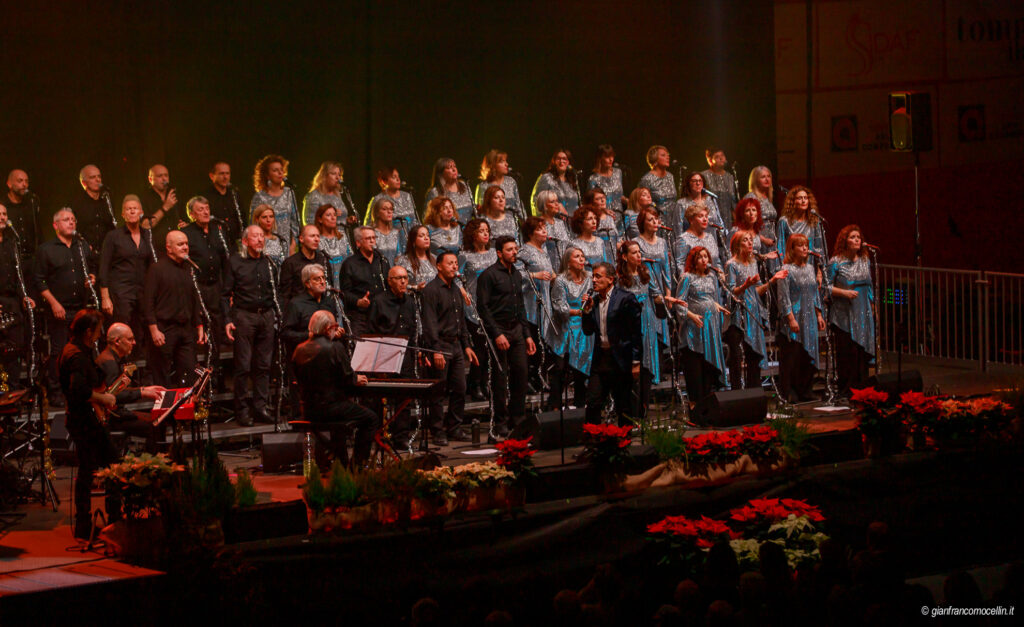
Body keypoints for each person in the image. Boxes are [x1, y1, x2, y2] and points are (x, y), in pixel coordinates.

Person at [58, 309, 117, 539]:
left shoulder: (77, 350)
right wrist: (104, 399)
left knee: (87, 469)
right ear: (88, 331)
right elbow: (78, 389)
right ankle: (112, 519)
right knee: (112, 464)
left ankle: (84, 524)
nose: (100, 334)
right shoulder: (77, 356)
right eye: (98, 330)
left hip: (80, 418)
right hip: (84, 420)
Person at [292, 310, 379, 467]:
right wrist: (356, 379)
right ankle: (357, 465)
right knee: (371, 418)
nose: (337, 330)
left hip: (309, 409)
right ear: (327, 329)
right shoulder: (334, 348)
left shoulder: (299, 349)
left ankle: (342, 462)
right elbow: (348, 380)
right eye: (335, 326)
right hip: (331, 407)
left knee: (340, 421)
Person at [33, 209, 97, 406]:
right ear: (56, 225)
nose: (71, 222)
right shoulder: (46, 249)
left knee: (82, 350)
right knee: (59, 351)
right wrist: (53, 303)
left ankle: (82, 388)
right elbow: (39, 280)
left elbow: (92, 268)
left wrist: (92, 277)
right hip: (59, 308)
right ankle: (56, 390)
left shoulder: (82, 246)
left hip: (80, 307)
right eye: (66, 220)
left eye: (73, 219)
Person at [476, 235, 537, 438]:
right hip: (499, 329)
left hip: (516, 329)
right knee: (499, 379)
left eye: (515, 249)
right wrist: (496, 334)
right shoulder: (489, 275)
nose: (514, 253)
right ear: (499, 253)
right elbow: (483, 308)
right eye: (509, 250)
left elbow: (521, 306)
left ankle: (517, 418)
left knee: (521, 374)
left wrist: (527, 335)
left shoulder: (517, 274)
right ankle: (499, 421)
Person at [222, 226, 280, 426]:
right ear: (245, 241)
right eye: (255, 236)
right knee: (243, 366)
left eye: (262, 236)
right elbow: (225, 294)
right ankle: (242, 410)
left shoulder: (269, 262)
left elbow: (276, 291)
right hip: (244, 316)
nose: (260, 239)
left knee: (264, 365)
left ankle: (260, 408)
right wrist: (228, 320)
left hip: (266, 315)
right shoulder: (235, 262)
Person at [422, 252, 478, 443]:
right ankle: (437, 430)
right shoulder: (431, 290)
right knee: (439, 391)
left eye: (455, 263)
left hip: (456, 344)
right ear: (439, 266)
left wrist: (466, 345)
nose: (454, 266)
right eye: (450, 263)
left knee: (460, 388)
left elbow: (460, 319)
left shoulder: (455, 289)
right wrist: (436, 349)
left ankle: (454, 427)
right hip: (441, 344)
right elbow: (429, 323)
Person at [618, 241, 674, 420]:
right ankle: (631, 414)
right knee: (633, 368)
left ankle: (643, 412)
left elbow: (655, 294)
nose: (638, 256)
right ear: (625, 257)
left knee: (646, 368)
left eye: (639, 252)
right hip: (630, 322)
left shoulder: (645, 273)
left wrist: (665, 299)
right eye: (634, 253)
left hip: (648, 321)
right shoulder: (620, 278)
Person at [142, 231, 205, 387]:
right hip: (164, 328)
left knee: (189, 371)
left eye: (186, 243)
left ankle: (186, 402)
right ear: (169, 248)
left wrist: (199, 324)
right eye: (180, 244)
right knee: (162, 374)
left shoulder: (188, 268)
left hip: (185, 329)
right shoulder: (157, 269)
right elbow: (148, 301)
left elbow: (193, 300)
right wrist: (154, 330)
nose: (185, 247)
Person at [725, 231, 786, 390]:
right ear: (737, 244)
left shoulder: (753, 264)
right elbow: (731, 292)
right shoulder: (731, 265)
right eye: (745, 240)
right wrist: (745, 285)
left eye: (751, 240)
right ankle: (737, 392)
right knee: (737, 356)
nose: (750, 243)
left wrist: (772, 280)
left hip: (753, 311)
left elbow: (757, 290)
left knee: (753, 354)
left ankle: (754, 390)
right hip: (737, 314)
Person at [367, 265, 421, 447]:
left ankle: (401, 436)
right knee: (381, 398)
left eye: (405, 278)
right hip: (385, 351)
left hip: (405, 353)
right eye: (399, 278)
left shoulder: (410, 301)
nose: (403, 281)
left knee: (404, 397)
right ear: (390, 281)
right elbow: (372, 329)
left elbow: (413, 328)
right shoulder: (379, 301)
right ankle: (379, 434)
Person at [582, 262, 642, 425]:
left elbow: (636, 332)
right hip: (601, 359)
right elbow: (588, 331)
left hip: (620, 359)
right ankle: (593, 438)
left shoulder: (625, 298)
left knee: (623, 405)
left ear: (610, 279)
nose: (594, 280)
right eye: (593, 277)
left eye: (598, 276)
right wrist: (586, 311)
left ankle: (625, 437)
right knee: (593, 402)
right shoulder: (594, 301)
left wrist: (636, 361)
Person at [675, 247, 729, 423]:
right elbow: (679, 303)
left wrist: (716, 306)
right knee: (695, 375)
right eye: (700, 257)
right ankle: (694, 414)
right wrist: (691, 315)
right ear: (693, 260)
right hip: (693, 332)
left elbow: (709, 298)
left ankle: (708, 413)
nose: (704, 260)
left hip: (710, 331)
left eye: (706, 256)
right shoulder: (687, 278)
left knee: (707, 373)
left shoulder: (712, 277)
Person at [96, 323, 167, 452]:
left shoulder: (112, 358)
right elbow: (114, 395)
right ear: (117, 341)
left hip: (117, 414)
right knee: (156, 423)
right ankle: (154, 460)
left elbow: (118, 390)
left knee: (158, 420)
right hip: (112, 418)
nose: (134, 343)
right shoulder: (109, 362)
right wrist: (142, 392)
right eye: (130, 339)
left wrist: (145, 390)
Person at [99, 195, 154, 345]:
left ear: (141, 212)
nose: (132, 211)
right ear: (123, 214)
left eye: (135, 208)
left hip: (142, 291)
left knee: (141, 331)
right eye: (128, 209)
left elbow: (152, 264)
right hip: (121, 291)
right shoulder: (113, 236)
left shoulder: (147, 235)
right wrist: (105, 297)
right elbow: (104, 267)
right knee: (122, 330)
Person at [776, 233, 825, 403]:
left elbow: (815, 293)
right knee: (792, 357)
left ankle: (805, 389)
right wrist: (790, 318)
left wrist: (819, 314)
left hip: (809, 316)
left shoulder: (811, 268)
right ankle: (788, 391)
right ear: (792, 249)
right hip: (794, 316)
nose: (805, 248)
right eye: (800, 245)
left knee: (806, 355)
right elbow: (783, 297)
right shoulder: (785, 270)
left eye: (806, 245)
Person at [827, 225, 875, 397]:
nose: (857, 240)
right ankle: (846, 389)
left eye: (858, 237)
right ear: (844, 241)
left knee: (861, 352)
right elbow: (825, 287)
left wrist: (873, 305)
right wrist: (844, 293)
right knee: (848, 353)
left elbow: (869, 285)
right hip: (844, 314)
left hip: (863, 312)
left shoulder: (865, 260)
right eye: (853, 237)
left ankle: (862, 389)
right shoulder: (836, 262)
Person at [182, 196, 231, 348]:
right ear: (192, 214)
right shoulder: (186, 232)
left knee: (216, 319)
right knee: (198, 319)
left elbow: (225, 258)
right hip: (197, 285)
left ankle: (215, 354)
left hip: (216, 284)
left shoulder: (218, 230)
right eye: (200, 209)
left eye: (207, 209)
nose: (205, 212)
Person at [517, 217, 558, 394]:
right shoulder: (524, 251)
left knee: (543, 343)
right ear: (530, 233)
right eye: (540, 229)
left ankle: (540, 375)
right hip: (530, 303)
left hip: (544, 301)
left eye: (544, 228)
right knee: (533, 340)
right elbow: (517, 274)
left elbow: (550, 272)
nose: (544, 232)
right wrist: (535, 275)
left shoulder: (544, 250)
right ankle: (528, 378)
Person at [548, 247, 592, 409]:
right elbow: (559, 307)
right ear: (568, 262)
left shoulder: (589, 278)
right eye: (577, 256)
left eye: (582, 256)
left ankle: (581, 406)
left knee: (581, 370)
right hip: (564, 327)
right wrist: (579, 311)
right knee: (560, 369)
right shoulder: (560, 281)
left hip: (582, 328)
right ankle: (554, 406)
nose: (582, 259)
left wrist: (589, 304)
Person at [460, 218, 496, 402]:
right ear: (473, 234)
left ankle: (487, 383)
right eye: (481, 230)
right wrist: (462, 291)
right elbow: (456, 277)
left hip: (493, 305)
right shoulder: (465, 256)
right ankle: (475, 385)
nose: (485, 233)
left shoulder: (494, 253)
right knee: (479, 348)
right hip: (473, 305)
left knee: (491, 348)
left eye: (487, 230)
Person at [0, 203, 35, 385]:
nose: (2, 217)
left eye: (4, 214)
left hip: (12, 301)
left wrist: (24, 296)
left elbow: (18, 275)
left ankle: (13, 390)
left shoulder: (11, 243)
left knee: (15, 348)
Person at [338, 225, 390, 337]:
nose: (372, 241)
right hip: (360, 317)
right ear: (358, 243)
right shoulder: (350, 264)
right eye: (368, 238)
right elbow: (344, 293)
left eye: (373, 238)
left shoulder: (382, 261)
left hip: (381, 315)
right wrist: (358, 301)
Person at [250, 154, 300, 254]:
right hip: (266, 249)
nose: (280, 173)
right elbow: (253, 225)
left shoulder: (289, 193)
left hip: (286, 247)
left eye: (281, 169)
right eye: (275, 170)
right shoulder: (259, 197)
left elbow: (296, 223)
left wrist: (293, 245)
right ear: (267, 175)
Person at [777, 186, 826, 285]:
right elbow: (780, 247)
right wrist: (782, 269)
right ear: (793, 202)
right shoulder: (784, 221)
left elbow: (819, 249)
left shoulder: (814, 221)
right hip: (790, 269)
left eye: (805, 198)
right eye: (799, 198)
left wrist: (820, 272)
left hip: (810, 268)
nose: (803, 201)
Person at [278, 224, 332, 309]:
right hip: (300, 310)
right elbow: (285, 295)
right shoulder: (290, 263)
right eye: (312, 236)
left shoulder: (323, 260)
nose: (316, 239)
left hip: (321, 307)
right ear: (301, 239)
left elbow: (329, 286)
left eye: (318, 236)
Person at [366, 166, 419, 244]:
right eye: (394, 177)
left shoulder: (407, 196)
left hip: (409, 240)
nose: (398, 179)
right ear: (385, 181)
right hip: (389, 241)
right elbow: (369, 223)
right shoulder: (378, 199)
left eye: (398, 176)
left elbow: (414, 219)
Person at [71, 164, 117, 252]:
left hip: (107, 252)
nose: (98, 179)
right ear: (84, 183)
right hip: (86, 253)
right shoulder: (77, 204)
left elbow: (112, 225)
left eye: (99, 176)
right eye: (92, 177)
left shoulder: (107, 200)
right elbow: (72, 230)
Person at [303, 161, 358, 230]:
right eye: (333, 174)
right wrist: (330, 214)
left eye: (339, 175)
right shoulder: (314, 196)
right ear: (324, 176)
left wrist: (346, 220)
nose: (338, 177)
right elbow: (309, 222)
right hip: (324, 236)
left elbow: (337, 221)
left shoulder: (337, 195)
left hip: (342, 236)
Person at [674, 204, 724, 277]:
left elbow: (717, 260)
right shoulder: (683, 239)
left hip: (713, 280)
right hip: (694, 281)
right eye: (701, 216)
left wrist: (721, 273)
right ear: (691, 220)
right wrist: (687, 280)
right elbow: (680, 265)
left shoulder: (710, 237)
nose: (705, 219)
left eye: (706, 216)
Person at [203, 161, 245, 249]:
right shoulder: (205, 196)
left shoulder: (234, 193)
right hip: (215, 243)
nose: (225, 177)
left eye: (227, 173)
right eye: (221, 174)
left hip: (235, 243)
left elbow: (242, 216)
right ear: (211, 176)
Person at [475, 149, 525, 222]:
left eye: (506, 161)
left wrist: (525, 223)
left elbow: (519, 206)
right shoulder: (483, 187)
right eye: (502, 161)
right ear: (493, 165)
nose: (506, 164)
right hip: (493, 225)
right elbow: (480, 213)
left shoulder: (511, 182)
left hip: (512, 224)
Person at [744, 166, 778, 269]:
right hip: (759, 240)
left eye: (768, 176)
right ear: (755, 180)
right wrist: (763, 239)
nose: (767, 179)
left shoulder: (767, 197)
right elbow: (746, 224)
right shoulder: (751, 197)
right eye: (763, 177)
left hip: (771, 240)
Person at [140, 164, 180, 250]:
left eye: (166, 175)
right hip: (156, 248)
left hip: (176, 246)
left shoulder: (173, 195)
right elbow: (145, 225)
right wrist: (165, 207)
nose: (164, 179)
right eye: (160, 176)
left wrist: (182, 224)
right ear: (150, 179)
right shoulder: (144, 198)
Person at [425, 158, 476, 225]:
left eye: (454, 166)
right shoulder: (435, 192)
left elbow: (472, 208)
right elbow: (428, 217)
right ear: (441, 173)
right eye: (449, 167)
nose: (454, 169)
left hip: (468, 228)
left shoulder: (464, 185)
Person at [531, 149, 579, 217]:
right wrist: (541, 219)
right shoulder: (547, 178)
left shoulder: (572, 181)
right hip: (554, 220)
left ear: (569, 162)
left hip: (572, 221)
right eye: (558, 159)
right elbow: (536, 200)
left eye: (564, 159)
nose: (561, 161)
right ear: (554, 162)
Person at [314, 204, 352, 289]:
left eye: (334, 215)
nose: (333, 218)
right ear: (320, 219)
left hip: (346, 284)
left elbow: (351, 259)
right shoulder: (317, 240)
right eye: (328, 215)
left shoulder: (342, 237)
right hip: (326, 285)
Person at [700, 147, 738, 229]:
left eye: (722, 155)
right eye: (717, 157)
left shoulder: (730, 177)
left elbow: (732, 201)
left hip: (727, 219)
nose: (721, 158)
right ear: (710, 160)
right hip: (710, 218)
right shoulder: (703, 176)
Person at [5, 169, 38, 259]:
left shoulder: (31, 204)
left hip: (31, 257)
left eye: (26, 181)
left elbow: (38, 231)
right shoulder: (3, 205)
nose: (24, 184)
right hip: (10, 258)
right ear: (9, 184)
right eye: (20, 181)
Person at [587, 145, 625, 224]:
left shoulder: (618, 173)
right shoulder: (593, 179)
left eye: (612, 156)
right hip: (604, 218)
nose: (611, 159)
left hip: (620, 218)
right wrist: (603, 210)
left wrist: (632, 201)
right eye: (607, 157)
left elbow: (620, 196)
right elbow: (590, 203)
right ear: (600, 158)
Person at [534, 190, 570, 270]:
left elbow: (567, 244)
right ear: (544, 205)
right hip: (548, 268)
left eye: (557, 201)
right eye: (552, 202)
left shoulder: (560, 223)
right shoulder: (538, 224)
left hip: (564, 266)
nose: (557, 204)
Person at [570, 206, 612, 270]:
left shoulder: (600, 241)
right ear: (580, 223)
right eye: (590, 219)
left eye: (595, 218)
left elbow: (605, 263)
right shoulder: (574, 244)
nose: (594, 222)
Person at [638, 145, 677, 211]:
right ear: (655, 159)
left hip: (673, 216)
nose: (668, 157)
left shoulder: (670, 176)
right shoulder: (647, 179)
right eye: (663, 155)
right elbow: (642, 204)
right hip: (656, 216)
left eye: (668, 155)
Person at [368, 196, 403, 267]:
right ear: (377, 213)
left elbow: (399, 256)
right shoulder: (371, 233)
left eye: (391, 209)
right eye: (384, 209)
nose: (389, 212)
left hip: (393, 271)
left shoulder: (395, 233)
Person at [252, 204, 287, 268]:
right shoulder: (253, 241)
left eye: (271, 216)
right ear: (257, 219)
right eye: (264, 217)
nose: (268, 220)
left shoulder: (280, 240)